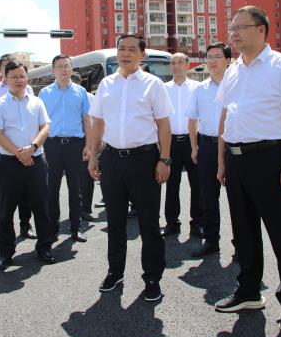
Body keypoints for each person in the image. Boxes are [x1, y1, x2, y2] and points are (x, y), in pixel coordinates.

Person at [213, 6, 281, 334]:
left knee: (280, 231)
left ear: (261, 30)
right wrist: (222, 160)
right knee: (244, 231)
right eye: (232, 28)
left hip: (269, 157)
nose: (234, 34)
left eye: (241, 27)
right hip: (235, 159)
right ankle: (249, 291)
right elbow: (225, 115)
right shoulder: (233, 70)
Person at [87, 33, 174, 302]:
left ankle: (152, 278)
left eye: (132, 49)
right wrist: (93, 155)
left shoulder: (153, 84)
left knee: (149, 223)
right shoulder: (106, 84)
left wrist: (164, 159)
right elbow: (97, 122)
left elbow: (163, 124)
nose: (125, 53)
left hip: (144, 160)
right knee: (114, 222)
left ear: (142, 55)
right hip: (112, 159)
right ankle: (115, 272)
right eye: (121, 49)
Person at [0, 61, 55, 269]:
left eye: (22, 76)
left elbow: (45, 127)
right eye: (14, 76)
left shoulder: (37, 102)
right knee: (6, 209)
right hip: (9, 163)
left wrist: (32, 148)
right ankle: (6, 252)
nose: (18, 80)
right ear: (5, 79)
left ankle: (44, 247)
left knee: (41, 206)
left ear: (27, 78)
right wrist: (20, 154)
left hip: (36, 160)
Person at [186, 43, 233, 257]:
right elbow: (192, 119)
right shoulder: (200, 88)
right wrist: (194, 147)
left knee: (237, 198)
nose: (212, 61)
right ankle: (211, 240)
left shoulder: (236, 85)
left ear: (228, 60)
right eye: (209, 57)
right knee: (207, 196)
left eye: (217, 56)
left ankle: (241, 245)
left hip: (232, 147)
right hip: (206, 146)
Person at [39, 55, 91, 242]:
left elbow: (86, 119)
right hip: (51, 145)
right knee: (51, 189)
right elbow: (40, 122)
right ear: (53, 70)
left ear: (71, 69)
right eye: (60, 66)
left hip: (75, 145)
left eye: (67, 66)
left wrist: (88, 145)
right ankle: (53, 229)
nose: (64, 69)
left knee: (75, 189)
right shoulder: (44, 93)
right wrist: (40, 146)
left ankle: (76, 228)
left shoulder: (81, 92)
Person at [0, 53, 36, 240]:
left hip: (26, 146)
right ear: (2, 72)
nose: (15, 75)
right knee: (4, 189)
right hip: (2, 145)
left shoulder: (27, 88)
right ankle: (4, 229)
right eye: (7, 67)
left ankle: (25, 224)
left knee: (26, 189)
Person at [161, 53, 200, 237]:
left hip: (193, 142)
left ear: (187, 65)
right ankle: (172, 222)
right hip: (170, 142)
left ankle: (197, 223)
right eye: (173, 63)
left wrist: (196, 145)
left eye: (179, 62)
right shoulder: (163, 89)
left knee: (197, 184)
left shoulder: (197, 88)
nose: (176, 66)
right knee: (171, 184)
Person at [71, 72, 98, 220]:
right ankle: (76, 208)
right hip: (72, 141)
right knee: (73, 177)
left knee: (87, 176)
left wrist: (95, 143)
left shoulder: (90, 98)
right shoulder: (65, 99)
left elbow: (95, 121)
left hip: (87, 140)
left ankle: (86, 209)